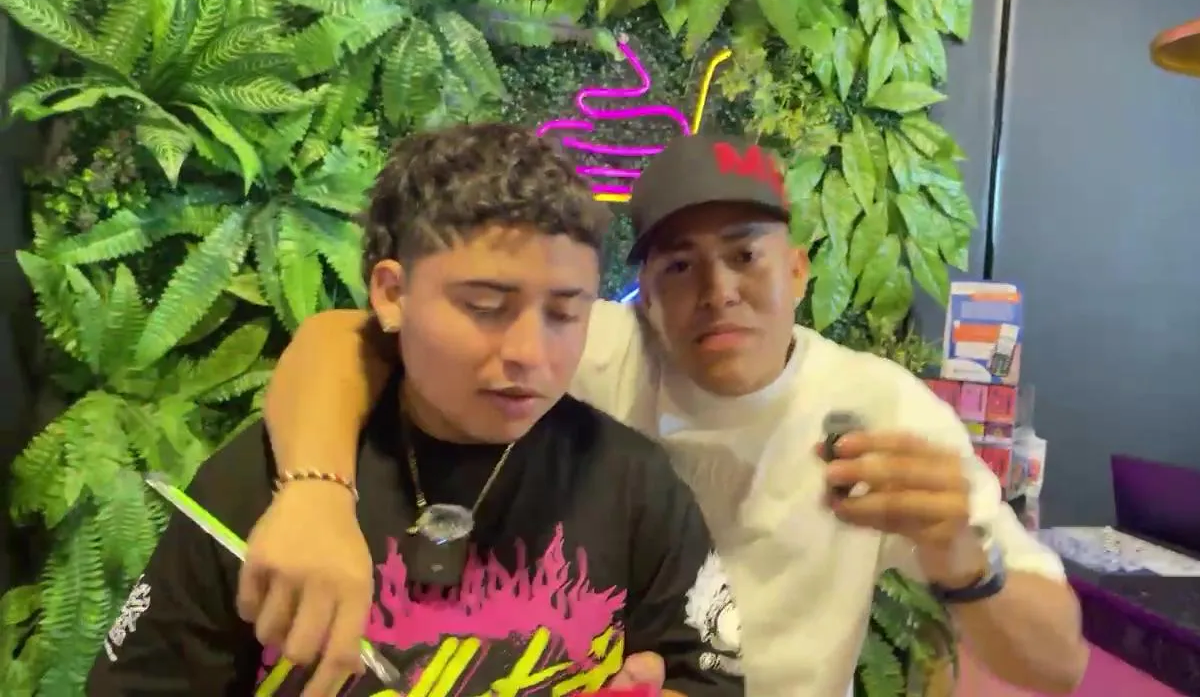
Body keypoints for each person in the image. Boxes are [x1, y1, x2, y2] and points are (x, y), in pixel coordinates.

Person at [243, 133, 1089, 695]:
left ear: (797, 270)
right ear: (642, 294)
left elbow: (1057, 665)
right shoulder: (586, 347)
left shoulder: (879, 407)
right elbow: (342, 340)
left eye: (746, 256)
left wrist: (959, 555)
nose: (718, 291)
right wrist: (314, 493)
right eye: (680, 266)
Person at [87, 125, 744, 697]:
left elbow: (708, 675)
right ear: (392, 293)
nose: (530, 353)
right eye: (485, 307)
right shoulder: (264, 483)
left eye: (565, 313)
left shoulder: (633, 485)